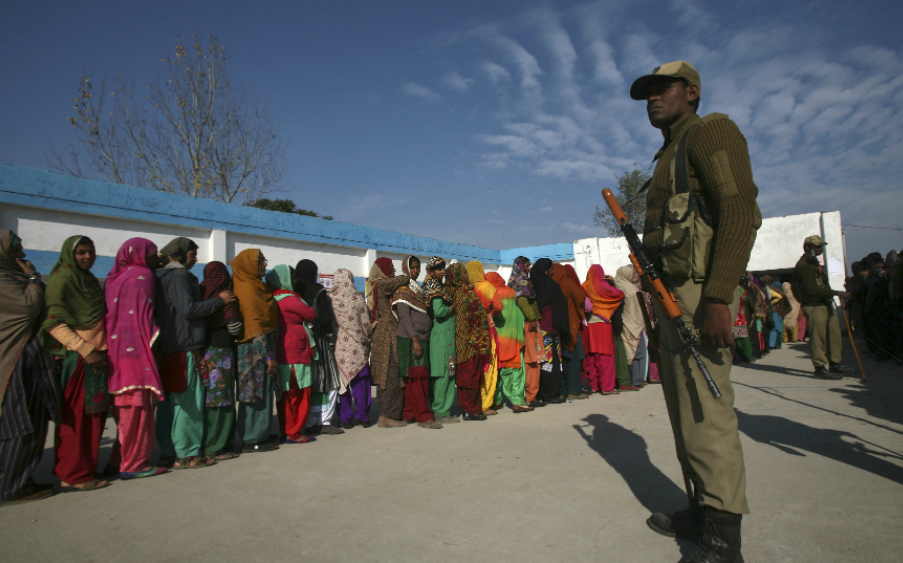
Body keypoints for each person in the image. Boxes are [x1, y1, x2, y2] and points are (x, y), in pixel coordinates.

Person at [630, 60, 760, 561]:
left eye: (664, 90)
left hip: (700, 295)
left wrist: (720, 295)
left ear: (693, 92)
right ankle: (704, 511)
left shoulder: (710, 133)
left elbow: (739, 209)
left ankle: (724, 542)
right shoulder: (669, 152)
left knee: (707, 412)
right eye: (648, 94)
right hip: (671, 296)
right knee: (685, 412)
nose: (653, 99)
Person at [154, 237, 231, 469]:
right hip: (185, 348)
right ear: (178, 255)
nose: (195, 259)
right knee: (188, 403)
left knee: (169, 404)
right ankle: (187, 454)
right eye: (191, 255)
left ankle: (168, 451)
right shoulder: (178, 277)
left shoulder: (161, 277)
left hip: (169, 347)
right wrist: (220, 300)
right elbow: (188, 309)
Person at [40, 235, 110, 491]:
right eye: (81, 252)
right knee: (76, 419)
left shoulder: (89, 281)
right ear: (70, 253)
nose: (87, 257)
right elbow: (53, 323)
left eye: (90, 252)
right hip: (78, 360)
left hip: (98, 358)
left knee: (94, 419)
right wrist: (84, 349)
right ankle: (72, 474)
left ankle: (84, 470)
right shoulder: (62, 278)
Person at [0, 231, 61, 505]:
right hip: (14, 361)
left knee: (35, 421)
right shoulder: (3, 279)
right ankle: (9, 487)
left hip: (30, 361)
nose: (22, 256)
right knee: (18, 424)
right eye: (16, 252)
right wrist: (35, 278)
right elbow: (28, 307)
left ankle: (22, 479)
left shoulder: (13, 278)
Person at [105, 238, 169, 479]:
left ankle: (117, 459)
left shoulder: (116, 277)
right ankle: (134, 464)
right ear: (142, 256)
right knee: (139, 409)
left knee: (123, 410)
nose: (156, 258)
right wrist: (153, 346)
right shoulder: (144, 276)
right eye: (153, 254)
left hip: (116, 352)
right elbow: (145, 317)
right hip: (137, 352)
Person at [231, 249, 280, 453]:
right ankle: (252, 439)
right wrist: (269, 356)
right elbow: (256, 328)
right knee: (253, 394)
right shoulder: (248, 290)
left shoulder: (258, 286)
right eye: (260, 261)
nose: (264, 264)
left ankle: (261, 433)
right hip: (253, 352)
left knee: (261, 393)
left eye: (263, 260)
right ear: (248, 264)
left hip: (258, 351)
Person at [263, 264, 318, 445]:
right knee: (298, 393)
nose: (295, 281)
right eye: (291, 277)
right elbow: (310, 313)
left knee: (286, 394)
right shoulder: (288, 298)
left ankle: (285, 429)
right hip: (294, 353)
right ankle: (294, 432)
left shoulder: (273, 298)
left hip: (285, 352)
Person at [792, 235, 856, 378]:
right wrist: (836, 292)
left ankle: (835, 364)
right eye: (817, 246)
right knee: (818, 337)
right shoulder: (805, 265)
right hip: (814, 305)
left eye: (821, 246)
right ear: (808, 247)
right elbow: (812, 289)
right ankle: (820, 367)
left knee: (834, 336)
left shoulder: (814, 263)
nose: (820, 249)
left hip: (824, 303)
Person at [199, 261, 243, 459]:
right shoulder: (226, 295)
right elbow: (234, 327)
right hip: (221, 350)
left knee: (210, 397)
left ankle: (209, 443)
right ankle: (216, 447)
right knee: (222, 398)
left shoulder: (201, 293)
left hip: (204, 351)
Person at [294, 259, 343, 435]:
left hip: (298, 343)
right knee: (329, 380)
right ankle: (324, 420)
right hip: (318, 342)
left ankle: (307, 420)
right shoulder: (319, 291)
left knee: (308, 382)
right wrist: (331, 342)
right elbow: (326, 319)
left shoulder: (293, 291)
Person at [394, 256, 442, 429]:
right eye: (412, 268)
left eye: (417, 268)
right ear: (406, 268)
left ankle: (409, 413)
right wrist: (415, 339)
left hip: (422, 339)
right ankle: (423, 417)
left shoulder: (418, 289)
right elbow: (405, 317)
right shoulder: (403, 290)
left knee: (417, 380)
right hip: (410, 340)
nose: (415, 271)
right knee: (416, 380)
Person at [366, 258, 410, 428]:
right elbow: (402, 279)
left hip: (383, 334)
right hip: (387, 336)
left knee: (390, 374)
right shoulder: (381, 285)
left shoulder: (376, 285)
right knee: (390, 374)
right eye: (390, 268)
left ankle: (390, 414)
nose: (392, 271)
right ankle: (387, 416)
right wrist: (406, 271)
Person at [445, 263, 490, 420]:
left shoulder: (455, 292)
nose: (467, 275)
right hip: (468, 342)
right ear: (457, 276)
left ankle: (471, 409)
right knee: (469, 377)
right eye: (464, 273)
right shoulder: (462, 293)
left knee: (470, 377)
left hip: (467, 341)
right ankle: (469, 410)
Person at [331, 268, 373, 429]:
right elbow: (366, 324)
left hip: (339, 350)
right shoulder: (357, 299)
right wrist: (367, 340)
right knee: (361, 385)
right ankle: (364, 417)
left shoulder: (331, 299)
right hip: (358, 350)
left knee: (343, 386)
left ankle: (345, 418)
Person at [485, 272, 533, 412]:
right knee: (514, 372)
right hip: (513, 339)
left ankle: (495, 401)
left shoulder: (490, 295)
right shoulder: (513, 293)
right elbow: (521, 317)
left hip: (496, 339)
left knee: (496, 372)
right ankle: (517, 401)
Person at [422, 257, 459, 423]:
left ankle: (445, 409)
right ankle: (440, 411)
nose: (443, 271)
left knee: (450, 373)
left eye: (444, 268)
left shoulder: (439, 286)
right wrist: (453, 307)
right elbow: (439, 311)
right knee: (443, 374)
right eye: (439, 269)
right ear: (431, 271)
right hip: (442, 338)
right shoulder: (434, 287)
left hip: (448, 338)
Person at [529, 258, 570, 405]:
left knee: (539, 362)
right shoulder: (551, 286)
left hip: (536, 331)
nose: (553, 271)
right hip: (550, 329)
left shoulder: (532, 286)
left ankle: (538, 392)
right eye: (551, 269)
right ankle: (551, 394)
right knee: (551, 362)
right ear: (545, 270)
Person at [466, 261, 503, 415]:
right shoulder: (487, 286)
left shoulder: (466, 288)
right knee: (489, 365)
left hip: (470, 332)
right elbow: (499, 306)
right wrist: (490, 314)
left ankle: (475, 402)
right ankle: (485, 404)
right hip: (486, 330)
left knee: (476, 367)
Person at [582, 265, 624, 395]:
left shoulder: (584, 285)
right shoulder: (603, 285)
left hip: (589, 324)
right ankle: (607, 387)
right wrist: (614, 281)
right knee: (606, 356)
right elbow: (620, 295)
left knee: (592, 356)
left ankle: (594, 386)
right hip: (603, 323)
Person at [508, 257, 543, 408]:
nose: (529, 268)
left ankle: (524, 394)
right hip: (529, 324)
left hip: (517, 324)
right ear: (521, 266)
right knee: (533, 360)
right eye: (527, 266)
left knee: (524, 360)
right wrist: (533, 318)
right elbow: (522, 300)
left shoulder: (511, 281)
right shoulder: (525, 281)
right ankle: (531, 395)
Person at [551, 263, 590, 400]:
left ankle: (561, 391)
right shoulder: (566, 281)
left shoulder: (549, 282)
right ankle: (573, 390)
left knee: (558, 358)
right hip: (570, 323)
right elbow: (580, 296)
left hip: (553, 325)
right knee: (573, 356)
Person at [612, 265, 648, 389]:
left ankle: (635, 379)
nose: (633, 276)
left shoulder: (620, 287)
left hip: (629, 323)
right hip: (633, 323)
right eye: (632, 273)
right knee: (637, 353)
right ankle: (635, 380)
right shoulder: (628, 288)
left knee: (631, 352)